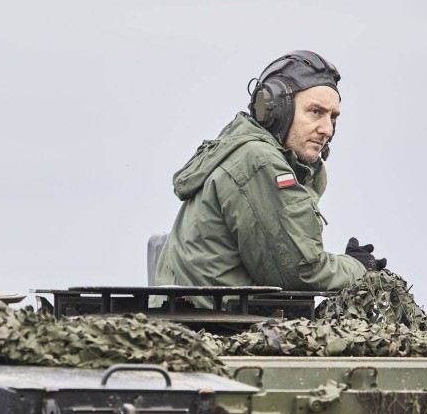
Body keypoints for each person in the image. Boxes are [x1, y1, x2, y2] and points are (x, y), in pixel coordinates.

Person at [154, 50, 385, 298]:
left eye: (333, 117)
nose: (327, 129)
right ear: (273, 110)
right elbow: (301, 272)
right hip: (223, 326)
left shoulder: (243, 152)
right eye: (315, 112)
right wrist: (359, 267)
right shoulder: (259, 162)